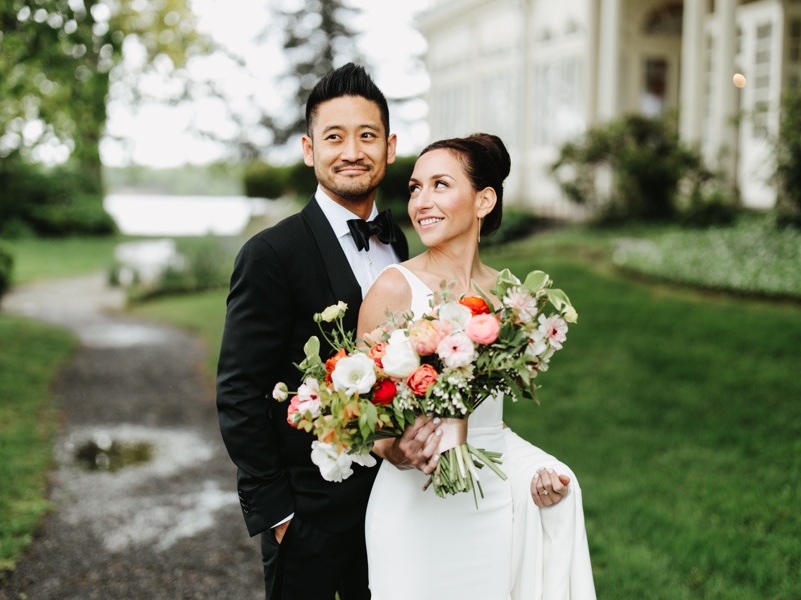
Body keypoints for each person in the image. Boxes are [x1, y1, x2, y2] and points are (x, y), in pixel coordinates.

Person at [358, 133, 596, 599]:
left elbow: (491, 424)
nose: (421, 202)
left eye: (439, 185)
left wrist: (538, 472)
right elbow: (362, 421)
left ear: (484, 199)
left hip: (488, 508)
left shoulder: (511, 299)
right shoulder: (394, 288)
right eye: (414, 188)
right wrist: (395, 450)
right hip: (411, 514)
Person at [216, 63, 414, 600]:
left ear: (390, 147)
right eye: (335, 136)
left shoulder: (398, 246)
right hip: (309, 513)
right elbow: (238, 391)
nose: (353, 150)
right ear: (309, 149)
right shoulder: (271, 254)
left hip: (397, 503)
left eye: (367, 135)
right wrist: (276, 511)